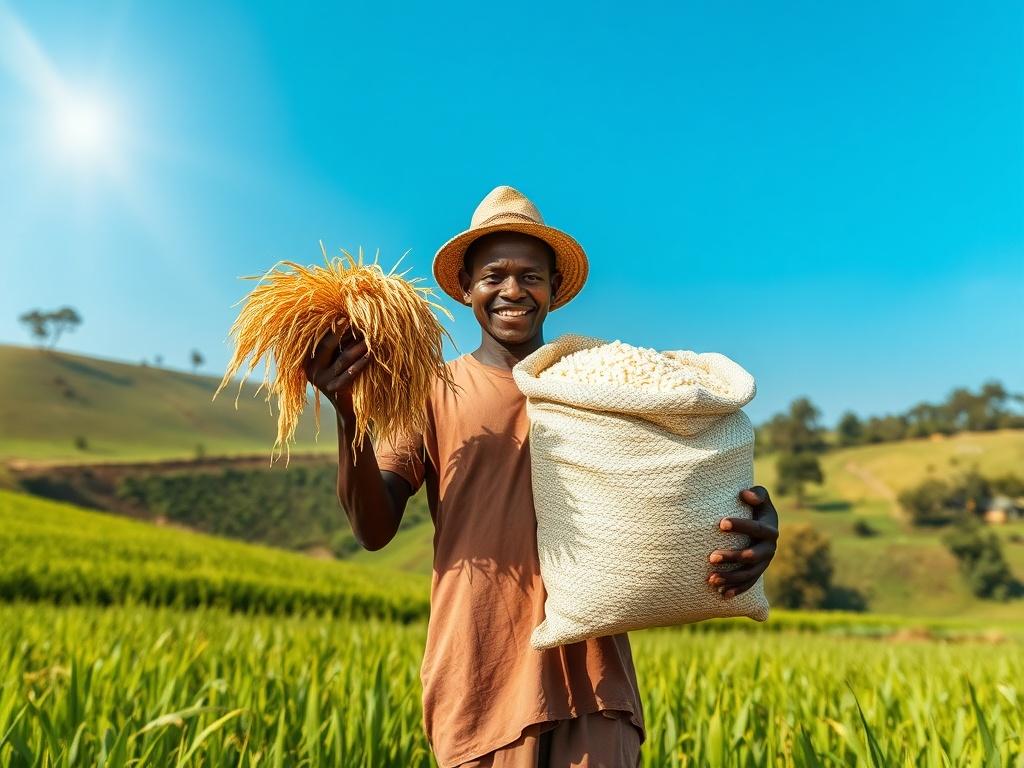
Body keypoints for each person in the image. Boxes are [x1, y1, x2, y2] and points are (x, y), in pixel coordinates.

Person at [304, 185, 781, 767]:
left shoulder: (597, 388)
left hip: (597, 684)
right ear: (466, 289)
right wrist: (348, 415)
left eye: (531, 276)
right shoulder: (429, 390)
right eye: (493, 276)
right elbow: (373, 529)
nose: (512, 290)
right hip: (480, 676)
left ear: (554, 290)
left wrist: (742, 530)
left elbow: (676, 485)